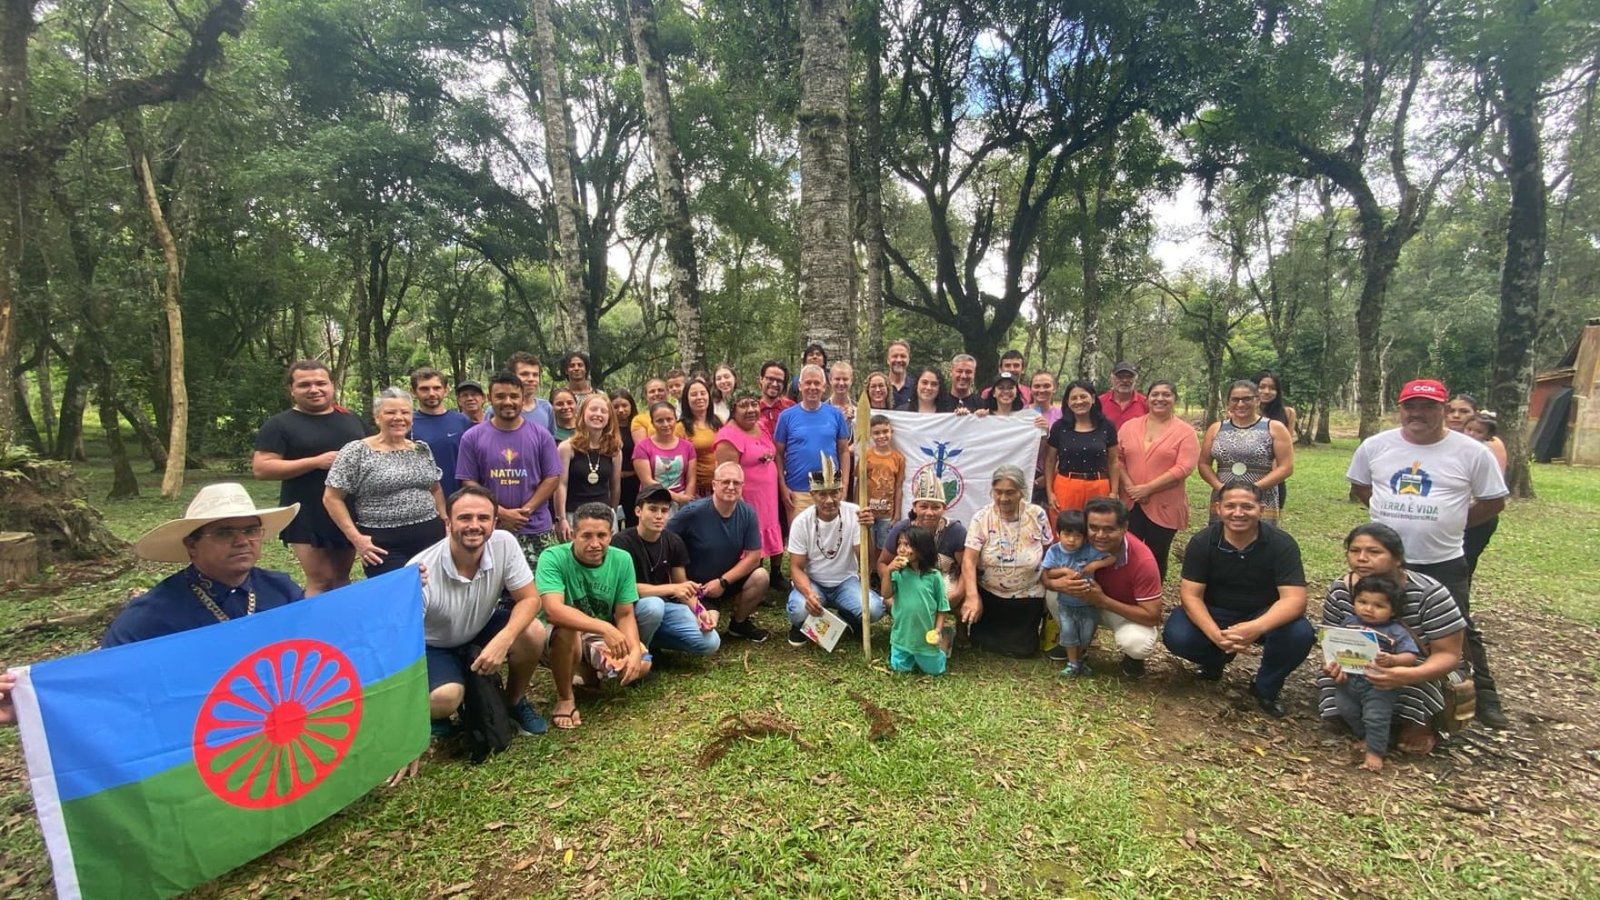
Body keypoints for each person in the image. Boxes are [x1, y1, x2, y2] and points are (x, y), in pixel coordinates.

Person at [1347, 378, 1509, 728]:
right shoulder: (1376, 446)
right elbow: (1361, 486)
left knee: (1457, 629)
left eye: (1428, 406)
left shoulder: (1472, 452)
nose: (1417, 413)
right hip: (1381, 559)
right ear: (1400, 408)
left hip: (1441, 558)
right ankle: (1367, 691)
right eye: (1411, 406)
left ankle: (1480, 698)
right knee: (1373, 618)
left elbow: (1493, 501)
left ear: (1444, 409)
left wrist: (1452, 522)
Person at [1161, 481, 1315, 717]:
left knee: (1300, 633)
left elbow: (1294, 599)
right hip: (1216, 610)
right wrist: (1215, 635)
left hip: (1263, 613)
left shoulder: (1282, 544)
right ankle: (1215, 660)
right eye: (1230, 506)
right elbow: (1191, 596)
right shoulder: (1202, 542)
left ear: (1261, 509)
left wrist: (1256, 627)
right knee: (1177, 635)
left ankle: (1266, 686)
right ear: (1218, 508)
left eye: (1247, 506)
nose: (1238, 513)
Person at [410, 486, 549, 741]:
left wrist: (504, 639)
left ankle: (513, 701)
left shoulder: (504, 543)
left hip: (480, 626)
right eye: (465, 518)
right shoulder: (421, 571)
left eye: (483, 518)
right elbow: (401, 640)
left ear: (494, 523)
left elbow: (530, 599)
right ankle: (438, 712)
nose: (474, 525)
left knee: (533, 632)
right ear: (448, 523)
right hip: (434, 645)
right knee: (445, 698)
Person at [1316, 523, 1468, 753]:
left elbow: (1448, 655)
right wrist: (1334, 664)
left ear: (1397, 558)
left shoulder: (1429, 593)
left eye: (1374, 552)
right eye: (1355, 551)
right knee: (1335, 686)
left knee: (1415, 675)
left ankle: (1417, 722)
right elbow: (1331, 639)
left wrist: (1406, 675)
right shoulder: (1341, 590)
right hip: (1360, 665)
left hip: (1417, 665)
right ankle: (1369, 724)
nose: (1362, 558)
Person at [106, 483, 304, 647]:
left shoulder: (282, 591)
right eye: (225, 533)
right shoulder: (152, 615)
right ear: (192, 545)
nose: (242, 541)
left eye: (251, 531)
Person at [252, 360, 368, 595]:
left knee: (341, 577)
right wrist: (316, 462)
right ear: (292, 390)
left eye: (320, 383)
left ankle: (340, 619)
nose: (314, 389)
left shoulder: (351, 419)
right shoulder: (279, 424)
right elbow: (262, 468)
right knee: (321, 579)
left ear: (332, 385)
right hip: (306, 512)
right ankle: (311, 619)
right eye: (304, 385)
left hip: (346, 510)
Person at [536, 502, 652, 729]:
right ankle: (565, 698)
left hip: (593, 633)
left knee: (642, 664)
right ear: (573, 534)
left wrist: (634, 650)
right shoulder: (552, 557)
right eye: (586, 536)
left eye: (601, 536)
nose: (595, 544)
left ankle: (586, 671)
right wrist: (605, 628)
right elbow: (553, 611)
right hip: (552, 635)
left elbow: (625, 614)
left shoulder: (622, 559)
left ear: (611, 535)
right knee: (568, 628)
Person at [324, 387, 447, 578]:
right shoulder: (356, 451)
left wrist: (445, 520)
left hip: (430, 538)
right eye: (390, 412)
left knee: (432, 591)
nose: (399, 418)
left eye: (405, 412)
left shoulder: (421, 449)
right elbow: (331, 498)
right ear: (377, 417)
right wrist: (356, 539)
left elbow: (435, 487)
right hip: (383, 545)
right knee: (396, 592)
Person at [1041, 496, 1162, 677]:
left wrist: (1103, 601)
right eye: (1094, 528)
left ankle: (1132, 659)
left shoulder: (1142, 561)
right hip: (1083, 601)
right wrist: (1053, 583)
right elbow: (1046, 573)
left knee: (1137, 643)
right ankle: (1074, 644)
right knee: (1053, 593)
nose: (1100, 535)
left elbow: (1153, 616)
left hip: (1120, 610)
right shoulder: (1076, 540)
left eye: (1109, 529)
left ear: (1124, 528)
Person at [455, 372, 563, 567]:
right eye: (500, 396)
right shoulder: (472, 437)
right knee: (491, 584)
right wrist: (500, 512)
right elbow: (468, 481)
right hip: (489, 528)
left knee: (539, 583)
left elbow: (552, 476)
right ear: (489, 398)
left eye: (513, 396)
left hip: (535, 526)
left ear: (522, 398)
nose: (507, 402)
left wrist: (526, 511)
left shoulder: (541, 435)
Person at [667, 462, 773, 642]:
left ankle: (739, 624)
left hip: (726, 580)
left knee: (761, 576)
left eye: (736, 483)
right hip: (697, 588)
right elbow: (665, 540)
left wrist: (723, 582)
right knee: (708, 630)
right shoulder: (692, 512)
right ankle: (698, 612)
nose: (731, 487)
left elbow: (753, 557)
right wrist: (681, 582)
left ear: (742, 486)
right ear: (714, 485)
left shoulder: (748, 513)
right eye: (725, 482)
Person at [783, 458, 883, 648]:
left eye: (834, 493)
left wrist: (867, 531)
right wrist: (809, 593)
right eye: (822, 494)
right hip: (813, 582)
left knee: (874, 609)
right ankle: (800, 625)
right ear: (812, 495)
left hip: (846, 582)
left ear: (841, 491)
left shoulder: (855, 514)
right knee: (799, 610)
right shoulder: (801, 522)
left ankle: (848, 617)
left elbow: (867, 561)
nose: (829, 500)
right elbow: (796, 567)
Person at [612, 484, 721, 657]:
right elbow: (622, 590)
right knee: (653, 606)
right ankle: (638, 654)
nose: (659, 516)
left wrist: (700, 612)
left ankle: (651, 641)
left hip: (664, 608)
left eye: (664, 510)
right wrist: (672, 589)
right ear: (638, 511)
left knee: (711, 642)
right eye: (652, 509)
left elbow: (681, 585)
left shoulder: (673, 541)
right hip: (630, 609)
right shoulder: (621, 542)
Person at [1328, 575, 1421, 772]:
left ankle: (1375, 752)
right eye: (1362, 602)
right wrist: (1331, 661)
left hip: (1379, 684)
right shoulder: (1348, 623)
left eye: (1379, 606)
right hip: (1348, 679)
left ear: (1393, 610)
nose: (1368, 609)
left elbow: (1411, 655)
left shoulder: (1395, 631)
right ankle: (1369, 737)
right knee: (1347, 709)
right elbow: (1334, 645)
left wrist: (1393, 660)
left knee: (1376, 716)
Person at [960, 465, 1053, 658]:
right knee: (982, 645)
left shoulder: (1037, 515)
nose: (1003, 498)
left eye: (1010, 492)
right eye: (998, 492)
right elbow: (969, 559)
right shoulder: (981, 518)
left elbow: (1049, 552)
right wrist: (972, 596)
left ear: (1022, 492)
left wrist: (1048, 582)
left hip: (1028, 595)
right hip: (989, 595)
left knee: (1024, 650)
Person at [1116, 379, 1198, 583]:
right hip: (1130, 501)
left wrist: (1148, 489)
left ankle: (1152, 595)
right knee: (1126, 549)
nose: (1160, 398)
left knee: (1156, 554)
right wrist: (1130, 487)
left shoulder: (1185, 432)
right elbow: (1117, 459)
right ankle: (1126, 592)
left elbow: (1184, 467)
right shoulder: (1129, 426)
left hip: (1165, 504)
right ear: (1147, 398)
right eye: (1155, 394)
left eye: (1166, 395)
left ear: (1174, 399)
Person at [715, 390, 785, 584]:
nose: (751, 409)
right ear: (733, 409)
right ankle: (752, 578)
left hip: (768, 495)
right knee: (753, 535)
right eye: (744, 405)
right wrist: (740, 504)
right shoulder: (728, 436)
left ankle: (776, 574)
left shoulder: (761, 426)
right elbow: (728, 475)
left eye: (754, 404)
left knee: (770, 528)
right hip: (747, 498)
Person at [1199, 379, 1294, 520]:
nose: (1240, 404)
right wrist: (1220, 487)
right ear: (1228, 402)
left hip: (1261, 498)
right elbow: (1204, 464)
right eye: (1235, 400)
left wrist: (1253, 489)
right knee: (1221, 533)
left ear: (1257, 400)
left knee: (1260, 533)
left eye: (1247, 399)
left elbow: (1286, 467)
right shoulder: (1216, 428)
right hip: (1224, 497)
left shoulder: (1274, 428)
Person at [876, 471, 967, 607]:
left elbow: (967, 568)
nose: (929, 513)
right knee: (891, 602)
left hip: (945, 582)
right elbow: (882, 563)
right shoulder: (902, 528)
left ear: (944, 508)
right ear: (914, 507)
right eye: (923, 506)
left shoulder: (955, 530)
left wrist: (958, 594)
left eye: (936, 507)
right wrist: (889, 578)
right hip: (909, 581)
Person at [1041, 509, 1114, 676]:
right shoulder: (1054, 551)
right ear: (1058, 534)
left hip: (1089, 604)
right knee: (1068, 633)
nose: (1072, 540)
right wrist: (1064, 571)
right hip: (1066, 604)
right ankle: (1072, 663)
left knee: (1086, 635)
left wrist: (1095, 565)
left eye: (1078, 536)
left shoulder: (1089, 550)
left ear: (1085, 537)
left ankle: (1080, 660)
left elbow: (1112, 557)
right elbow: (1046, 572)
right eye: (1067, 534)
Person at [774, 364, 852, 519]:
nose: (812, 387)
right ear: (800, 385)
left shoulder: (835, 415)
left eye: (817, 383)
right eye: (808, 383)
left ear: (824, 386)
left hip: (830, 490)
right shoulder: (786, 416)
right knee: (799, 534)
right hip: (798, 491)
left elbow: (843, 451)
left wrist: (844, 484)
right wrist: (783, 487)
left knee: (830, 533)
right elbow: (778, 454)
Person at [1448, 393, 1506, 578]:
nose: (1456, 415)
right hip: (1444, 516)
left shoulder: (1489, 445)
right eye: (1451, 410)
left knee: (1462, 567)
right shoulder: (1439, 440)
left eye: (1464, 411)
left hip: (1475, 514)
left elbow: (1492, 489)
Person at [1041, 379, 1120, 517]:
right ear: (1067, 402)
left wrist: (1114, 492)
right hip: (1066, 486)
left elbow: (1113, 461)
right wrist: (1050, 493)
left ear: (1093, 398)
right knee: (1065, 527)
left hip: (1099, 487)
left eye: (1083, 396)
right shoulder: (1059, 427)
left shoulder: (1107, 426)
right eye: (1074, 398)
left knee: (1098, 526)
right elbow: (1050, 461)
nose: (1079, 401)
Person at [883, 526, 950, 675]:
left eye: (907, 544)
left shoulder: (934, 576)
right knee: (899, 669)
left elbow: (942, 608)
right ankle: (906, 653)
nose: (901, 549)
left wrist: (938, 630)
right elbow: (886, 594)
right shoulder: (898, 573)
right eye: (899, 544)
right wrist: (887, 572)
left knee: (935, 671)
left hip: (925, 639)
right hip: (902, 637)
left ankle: (944, 645)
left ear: (922, 548)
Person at [556, 394, 623, 537]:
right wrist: (561, 519)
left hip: (604, 517)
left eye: (603, 411)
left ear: (609, 417)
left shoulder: (614, 450)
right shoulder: (566, 448)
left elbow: (615, 486)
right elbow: (561, 485)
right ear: (582, 413)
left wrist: (612, 512)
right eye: (593, 409)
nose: (598, 414)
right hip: (574, 515)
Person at [410, 367, 472, 498]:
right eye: (424, 389)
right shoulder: (408, 424)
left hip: (460, 497)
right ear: (413, 392)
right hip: (424, 499)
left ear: (446, 390)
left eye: (437, 388)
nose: (431, 393)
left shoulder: (462, 421)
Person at [633, 401, 697, 506]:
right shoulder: (642, 447)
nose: (666, 424)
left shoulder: (688, 446)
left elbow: (691, 479)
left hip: (683, 501)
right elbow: (647, 481)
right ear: (652, 423)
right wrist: (677, 498)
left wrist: (687, 498)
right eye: (660, 421)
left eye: (669, 419)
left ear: (676, 419)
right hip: (654, 500)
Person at [1252, 370, 1297, 508]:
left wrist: (1274, 474)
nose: (1267, 391)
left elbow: (1286, 449)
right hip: (1246, 474)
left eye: (1272, 388)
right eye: (1262, 387)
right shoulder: (1242, 413)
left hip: (1275, 477)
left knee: (1268, 519)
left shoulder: (1288, 413)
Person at [862, 415, 905, 553]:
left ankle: (881, 567)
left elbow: (899, 487)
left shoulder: (898, 458)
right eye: (876, 433)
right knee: (867, 546)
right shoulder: (866, 456)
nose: (881, 436)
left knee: (884, 547)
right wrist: (859, 508)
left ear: (891, 432)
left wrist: (897, 514)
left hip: (887, 514)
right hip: (868, 513)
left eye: (885, 431)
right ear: (870, 435)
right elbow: (860, 484)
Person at [680, 377, 723, 498]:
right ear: (686, 399)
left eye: (703, 393)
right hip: (697, 489)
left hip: (720, 484)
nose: (699, 397)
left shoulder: (718, 421)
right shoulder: (681, 427)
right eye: (694, 394)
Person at [610, 389, 642, 527]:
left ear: (631, 406)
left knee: (634, 520)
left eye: (624, 405)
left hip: (634, 481)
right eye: (616, 406)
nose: (620, 410)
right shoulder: (606, 429)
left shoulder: (638, 428)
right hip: (611, 482)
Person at [508, 351, 555, 433]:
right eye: (524, 374)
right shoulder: (497, 410)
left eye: (535, 375)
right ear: (511, 376)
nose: (531, 379)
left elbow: (550, 438)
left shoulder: (546, 408)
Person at [1098, 361, 1148, 431]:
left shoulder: (1146, 403)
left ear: (1135, 379)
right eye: (1120, 377)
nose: (1124, 380)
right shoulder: (1100, 402)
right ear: (1112, 379)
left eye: (1129, 377)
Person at [756, 360, 796, 437]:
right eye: (770, 379)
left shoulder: (791, 408)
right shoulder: (752, 410)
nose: (774, 384)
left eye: (779, 381)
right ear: (761, 379)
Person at [886, 339, 913, 408]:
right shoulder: (879, 388)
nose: (899, 360)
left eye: (903, 356)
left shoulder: (917, 388)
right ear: (888, 360)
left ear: (908, 360)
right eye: (895, 356)